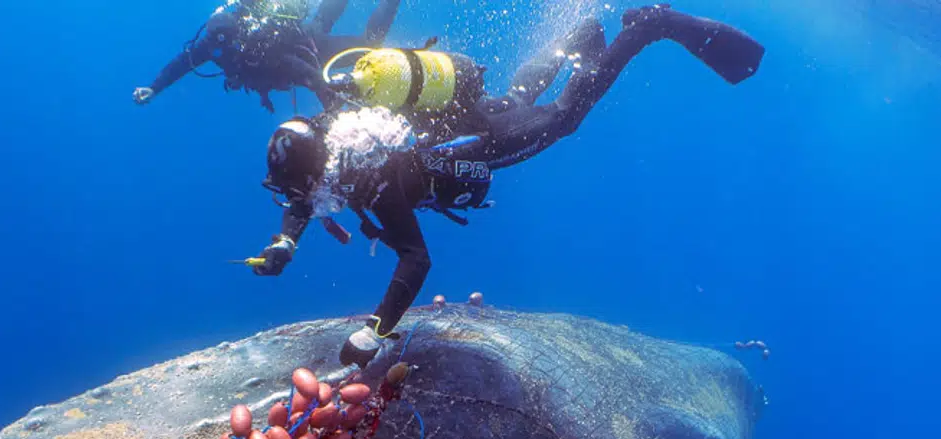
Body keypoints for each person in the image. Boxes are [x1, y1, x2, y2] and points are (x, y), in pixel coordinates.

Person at [245, 5, 767, 367]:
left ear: (320, 170)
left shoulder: (371, 178)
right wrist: (285, 241)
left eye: (301, 192)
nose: (299, 202)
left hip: (482, 141)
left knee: (562, 118)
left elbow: (415, 259)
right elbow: (302, 195)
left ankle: (649, 28)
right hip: (461, 119)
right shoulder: (331, 129)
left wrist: (376, 330)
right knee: (518, 95)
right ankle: (581, 36)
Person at [133, 0, 403, 112]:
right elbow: (181, 63)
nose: (225, 51)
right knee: (342, 28)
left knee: (369, 46)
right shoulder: (212, 45)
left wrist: (333, 112)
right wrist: (154, 87)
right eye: (219, 46)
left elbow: (308, 74)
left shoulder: (260, 46)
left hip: (309, 45)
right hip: (304, 43)